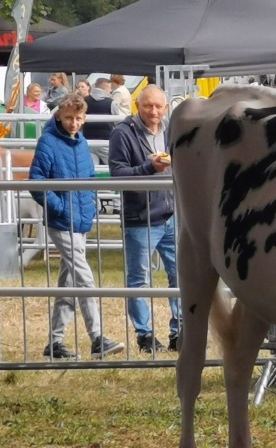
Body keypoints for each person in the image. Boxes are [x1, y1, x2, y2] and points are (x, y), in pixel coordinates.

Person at [28, 93, 125, 360]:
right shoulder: (48, 142)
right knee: (84, 278)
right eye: (69, 118)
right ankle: (97, 338)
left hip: (80, 220)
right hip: (62, 222)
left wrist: (90, 204)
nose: (74, 123)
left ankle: (55, 342)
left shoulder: (80, 143)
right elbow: (36, 181)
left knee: (69, 282)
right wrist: (59, 207)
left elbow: (90, 177)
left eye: (79, 118)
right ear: (59, 114)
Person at [109, 84, 180, 353]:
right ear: (138, 105)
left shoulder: (172, 130)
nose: (154, 112)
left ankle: (179, 332)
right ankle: (145, 335)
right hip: (140, 218)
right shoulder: (122, 133)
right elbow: (118, 174)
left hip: (170, 215)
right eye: (148, 106)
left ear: (165, 107)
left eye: (159, 106)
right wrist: (150, 167)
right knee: (139, 279)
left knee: (180, 276)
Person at [83, 78, 119, 166]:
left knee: (92, 168)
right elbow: (117, 123)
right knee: (114, 167)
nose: (110, 91)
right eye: (110, 88)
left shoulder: (84, 101)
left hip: (87, 140)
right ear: (105, 88)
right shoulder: (111, 103)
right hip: (106, 141)